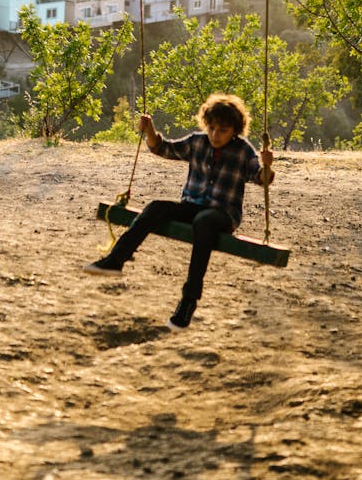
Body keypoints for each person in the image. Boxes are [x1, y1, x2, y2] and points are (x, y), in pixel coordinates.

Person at [84, 92, 274, 330]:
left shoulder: (243, 151)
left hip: (222, 214)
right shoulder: (198, 142)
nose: (215, 135)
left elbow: (262, 179)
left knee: (204, 222)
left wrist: (267, 165)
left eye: (223, 130)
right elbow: (162, 149)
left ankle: (187, 303)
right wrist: (150, 129)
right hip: (191, 206)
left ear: (235, 130)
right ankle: (115, 260)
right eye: (212, 128)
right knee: (155, 208)